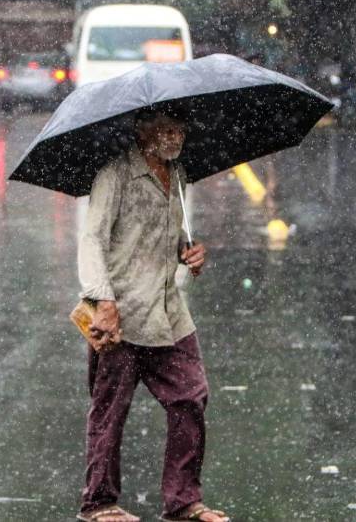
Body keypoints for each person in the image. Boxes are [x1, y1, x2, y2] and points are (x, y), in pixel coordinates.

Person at [76, 109, 229, 522]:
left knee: (191, 398)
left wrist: (189, 251)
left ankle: (183, 502)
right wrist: (101, 300)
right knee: (110, 410)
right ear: (142, 129)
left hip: (168, 313)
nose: (175, 135)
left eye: (180, 128)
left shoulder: (178, 175)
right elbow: (92, 240)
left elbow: (167, 235)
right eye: (165, 127)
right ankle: (99, 504)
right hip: (120, 313)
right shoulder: (115, 174)